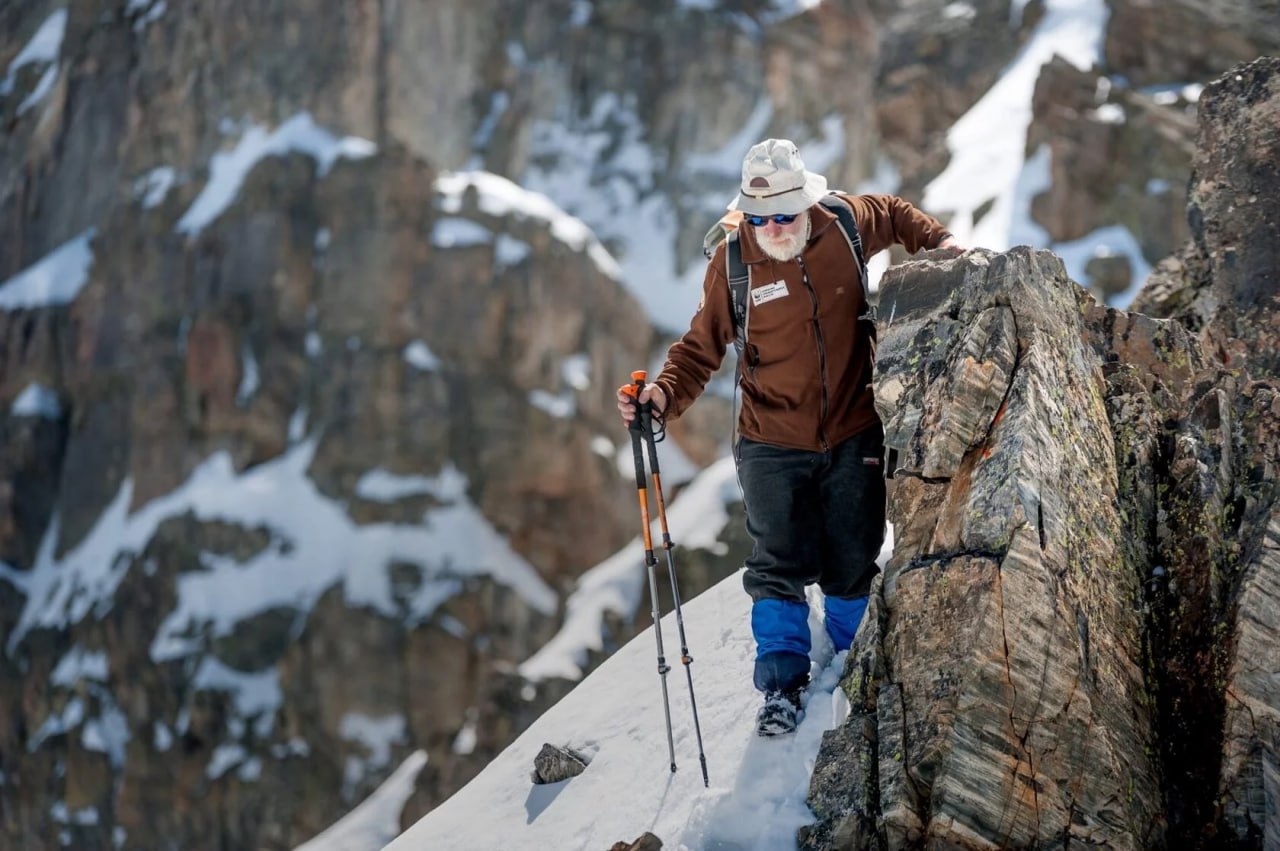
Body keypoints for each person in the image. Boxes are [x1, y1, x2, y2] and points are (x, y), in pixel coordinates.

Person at [617, 138, 962, 736]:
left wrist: (943, 243)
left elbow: (897, 214)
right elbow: (699, 349)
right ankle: (781, 686)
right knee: (777, 562)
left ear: (807, 202)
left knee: (853, 557)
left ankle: (857, 659)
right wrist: (662, 397)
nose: (772, 227)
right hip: (770, 441)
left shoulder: (844, 223)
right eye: (759, 217)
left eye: (783, 213)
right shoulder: (733, 262)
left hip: (854, 429)